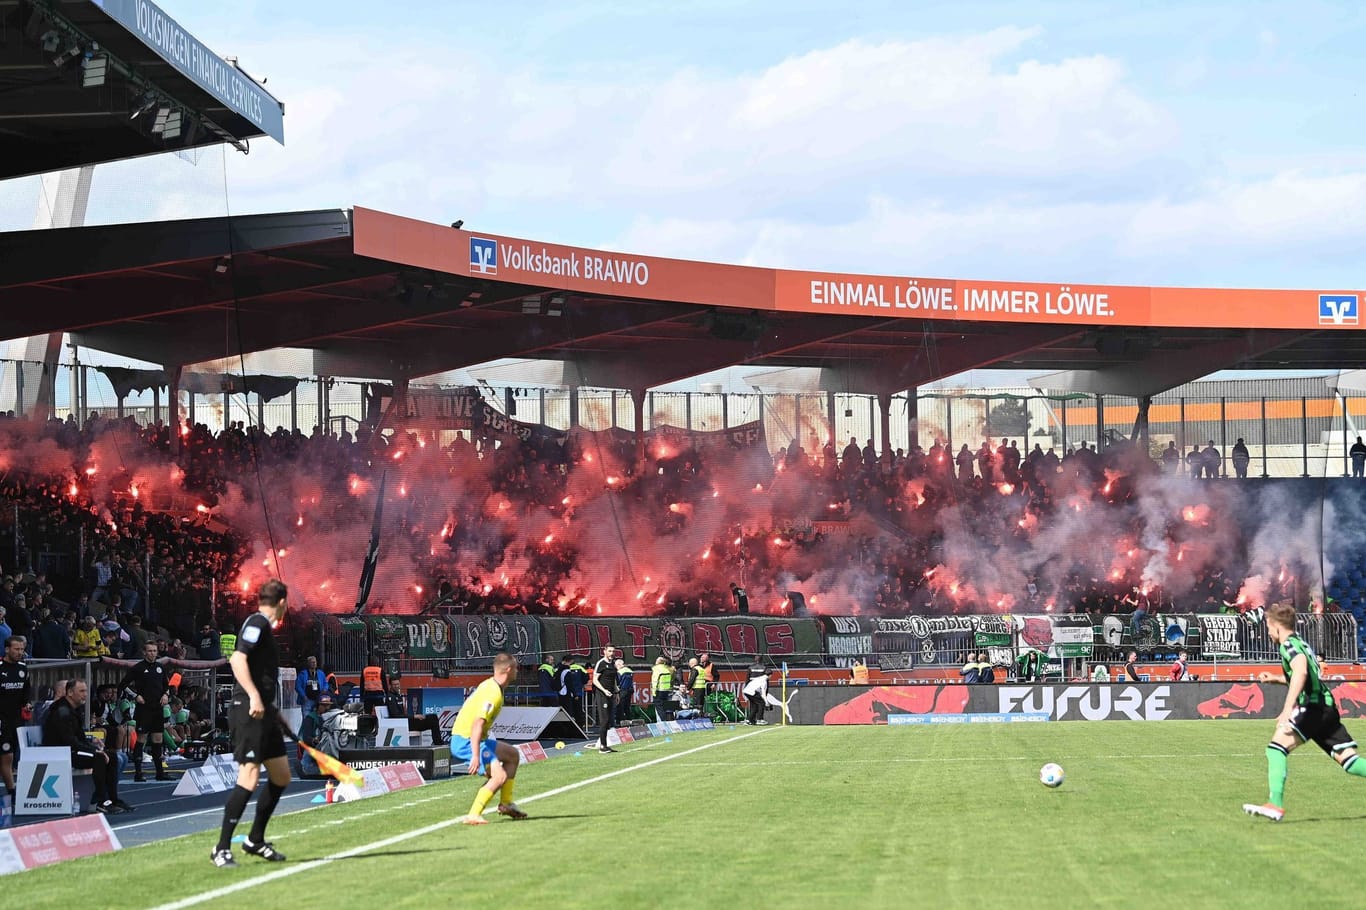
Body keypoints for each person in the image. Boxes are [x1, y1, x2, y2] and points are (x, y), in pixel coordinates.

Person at [1243, 603, 1366, 821]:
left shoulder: (1288, 645)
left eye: (1269, 628)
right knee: (1349, 761)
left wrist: (1287, 709)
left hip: (1313, 707)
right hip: (1326, 707)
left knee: (1276, 749)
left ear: (1276, 626)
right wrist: (1276, 678)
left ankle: (1275, 804)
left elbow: (1300, 672)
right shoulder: (1300, 642)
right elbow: (1308, 672)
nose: (1269, 632)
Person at [213, 579, 292, 868]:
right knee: (248, 777)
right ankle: (221, 848)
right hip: (248, 710)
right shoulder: (257, 623)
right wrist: (255, 697)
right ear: (282, 602)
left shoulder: (263, 626)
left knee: (282, 776)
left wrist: (272, 709)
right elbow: (237, 659)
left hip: (263, 711)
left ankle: (255, 840)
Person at [453, 652, 527, 824]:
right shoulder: (492, 693)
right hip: (466, 740)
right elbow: (477, 724)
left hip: (476, 739)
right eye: (516, 667)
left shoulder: (491, 686)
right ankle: (473, 814)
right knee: (499, 777)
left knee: (512, 755)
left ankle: (506, 803)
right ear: (508, 669)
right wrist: (476, 755)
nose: (517, 671)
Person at [43, 679, 130, 814]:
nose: (85, 694)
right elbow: (69, 740)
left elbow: (79, 737)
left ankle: (112, 799)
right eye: (82, 691)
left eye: (86, 691)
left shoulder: (73, 710)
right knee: (99, 758)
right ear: (70, 693)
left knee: (111, 756)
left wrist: (94, 744)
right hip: (61, 752)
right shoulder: (62, 711)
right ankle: (100, 801)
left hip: (70, 749)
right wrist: (94, 751)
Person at [119, 640, 172, 782]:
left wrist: (166, 695)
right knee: (142, 738)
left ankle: (160, 772)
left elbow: (166, 686)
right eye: (150, 651)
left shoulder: (160, 667)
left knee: (158, 739)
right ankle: (138, 772)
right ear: (144, 652)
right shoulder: (138, 668)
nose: (152, 653)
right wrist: (136, 696)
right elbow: (123, 684)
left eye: (154, 651)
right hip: (144, 709)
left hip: (158, 708)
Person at [0, 636, 30, 800]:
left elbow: (26, 692)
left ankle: (12, 789)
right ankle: (12, 792)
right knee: (7, 755)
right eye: (16, 649)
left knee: (12, 755)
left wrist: (27, 704)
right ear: (7, 649)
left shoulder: (23, 668)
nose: (20, 652)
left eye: (21, 649)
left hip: (16, 719)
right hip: (1, 718)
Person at [592, 645, 619, 754]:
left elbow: (614, 680)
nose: (612, 653)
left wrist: (616, 692)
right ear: (605, 651)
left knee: (609, 720)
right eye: (609, 651)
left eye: (613, 651)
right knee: (605, 720)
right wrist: (604, 690)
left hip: (611, 694)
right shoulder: (601, 663)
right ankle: (602, 746)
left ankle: (606, 745)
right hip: (602, 694)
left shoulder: (612, 664)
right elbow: (595, 680)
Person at [650, 657, 674, 722]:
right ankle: (668, 720)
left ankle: (663, 722)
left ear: (658, 662)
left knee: (659, 708)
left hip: (659, 690)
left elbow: (655, 681)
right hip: (666, 690)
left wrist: (654, 692)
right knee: (665, 707)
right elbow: (672, 679)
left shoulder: (656, 669)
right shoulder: (667, 669)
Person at [613, 657, 634, 727]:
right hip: (630, 690)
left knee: (620, 706)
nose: (616, 667)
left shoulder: (619, 672)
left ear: (619, 665)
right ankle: (629, 720)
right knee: (627, 707)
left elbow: (618, 682)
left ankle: (620, 722)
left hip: (622, 690)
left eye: (616, 666)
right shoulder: (630, 671)